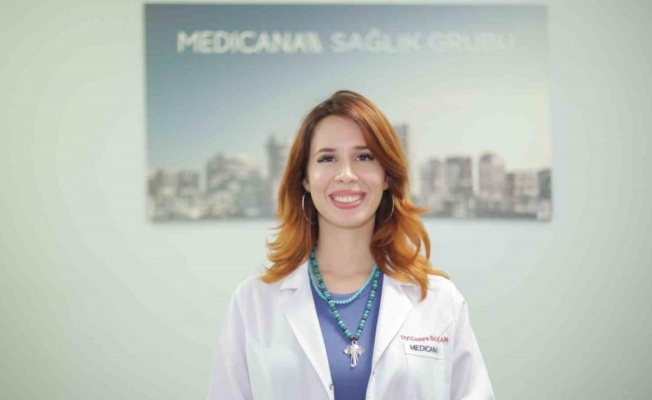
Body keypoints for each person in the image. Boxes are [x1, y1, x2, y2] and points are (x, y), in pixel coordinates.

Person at [208, 90, 495, 399]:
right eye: (327, 158)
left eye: (364, 157)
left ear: (387, 176)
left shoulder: (439, 301)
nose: (346, 175)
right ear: (305, 178)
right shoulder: (253, 303)